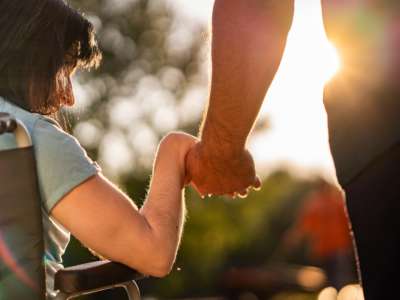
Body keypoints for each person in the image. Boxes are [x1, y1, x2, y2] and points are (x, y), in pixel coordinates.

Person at [186, 1, 400, 299]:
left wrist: (222, 149)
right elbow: (303, 226)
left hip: (383, 125)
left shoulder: (329, 202)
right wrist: (292, 239)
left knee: (340, 282)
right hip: (377, 133)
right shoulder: (318, 202)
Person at [0, 0, 196, 297]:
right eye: (64, 70)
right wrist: (175, 148)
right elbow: (153, 253)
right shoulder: (27, 137)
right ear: (33, 59)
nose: (68, 98)